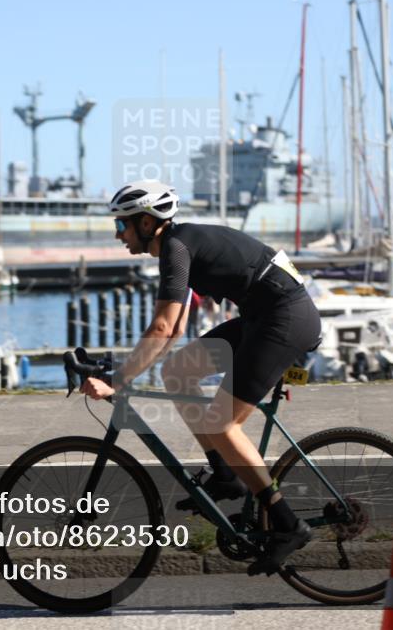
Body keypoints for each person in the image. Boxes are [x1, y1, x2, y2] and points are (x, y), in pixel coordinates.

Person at [81, 180, 323, 576]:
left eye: (122, 225)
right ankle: (226, 475)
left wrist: (120, 380)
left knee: (223, 424)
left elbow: (161, 328)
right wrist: (125, 371)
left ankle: (287, 524)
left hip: (285, 318)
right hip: (262, 317)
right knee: (177, 369)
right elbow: (173, 330)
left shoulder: (176, 247)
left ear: (145, 223)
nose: (117, 234)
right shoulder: (178, 245)